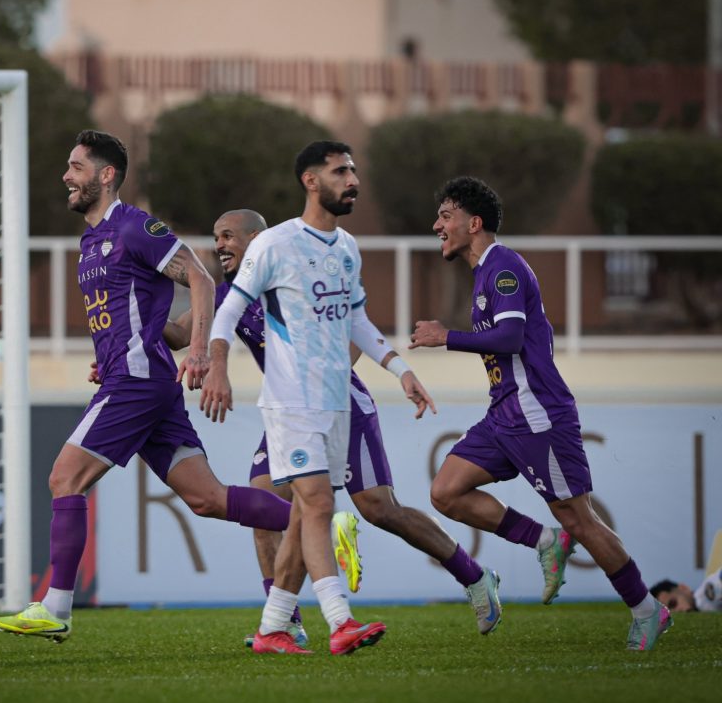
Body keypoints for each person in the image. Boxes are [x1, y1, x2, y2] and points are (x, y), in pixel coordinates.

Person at [0, 130, 292, 641]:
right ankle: (323, 525)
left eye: (77, 167)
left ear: (106, 175)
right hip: (135, 378)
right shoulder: (90, 242)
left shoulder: (134, 226)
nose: (67, 176)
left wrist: (200, 351)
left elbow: (201, 277)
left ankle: (56, 607)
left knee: (65, 478)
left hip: (136, 382)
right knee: (207, 498)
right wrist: (107, 354)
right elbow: (133, 317)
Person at [165, 208, 502, 641]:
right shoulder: (234, 292)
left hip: (341, 404)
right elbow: (181, 334)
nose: (219, 246)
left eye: (228, 236)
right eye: (216, 238)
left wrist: (345, 378)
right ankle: (286, 623)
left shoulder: (298, 278)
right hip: (289, 410)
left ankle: (475, 576)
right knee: (262, 508)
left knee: (380, 509)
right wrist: (134, 323)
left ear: (258, 240)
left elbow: (354, 334)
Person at [410, 176, 673, 652]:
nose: (437, 226)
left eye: (445, 216)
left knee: (580, 519)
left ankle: (647, 609)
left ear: (474, 223)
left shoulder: (504, 267)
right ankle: (543, 541)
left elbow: (510, 339)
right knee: (446, 491)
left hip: (537, 414)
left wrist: (445, 336)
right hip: (504, 413)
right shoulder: (484, 273)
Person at [200, 141, 404, 656]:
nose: (352, 180)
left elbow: (357, 319)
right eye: (340, 171)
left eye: (353, 170)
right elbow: (223, 314)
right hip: (291, 402)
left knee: (306, 515)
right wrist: (216, 368)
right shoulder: (275, 245)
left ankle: (273, 628)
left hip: (334, 402)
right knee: (315, 504)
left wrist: (400, 369)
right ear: (311, 181)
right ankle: (340, 621)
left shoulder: (346, 247)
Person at [651, 570, 722, 613]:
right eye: (671, 615)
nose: (677, 611)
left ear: (684, 588)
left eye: (673, 603)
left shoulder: (704, 594)